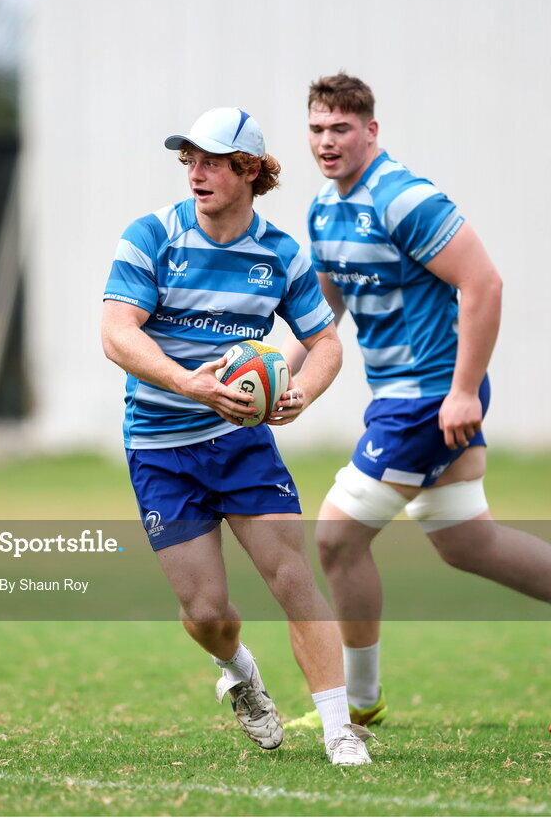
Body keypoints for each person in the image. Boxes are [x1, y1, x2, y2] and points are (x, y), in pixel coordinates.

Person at [101, 107, 373, 765]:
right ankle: (241, 672)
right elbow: (116, 332)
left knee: (291, 576)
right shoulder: (151, 237)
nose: (195, 172)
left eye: (212, 161)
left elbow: (326, 343)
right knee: (205, 612)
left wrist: (302, 391)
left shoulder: (279, 254)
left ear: (248, 170)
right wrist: (188, 383)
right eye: (188, 159)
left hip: (242, 442)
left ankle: (338, 727)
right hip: (162, 448)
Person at [284, 72, 551, 729]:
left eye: (341, 128)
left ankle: (358, 699)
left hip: (428, 397)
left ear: (371, 130)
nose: (327, 140)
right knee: (468, 542)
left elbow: (483, 284)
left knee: (337, 539)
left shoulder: (404, 198)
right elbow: (326, 313)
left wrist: (463, 391)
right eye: (317, 128)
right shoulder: (323, 208)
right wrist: (281, 379)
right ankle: (358, 697)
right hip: (404, 398)